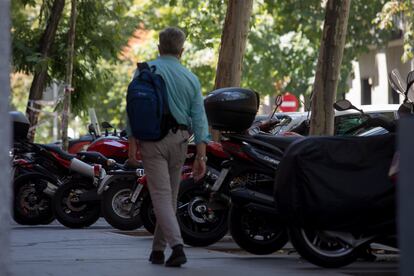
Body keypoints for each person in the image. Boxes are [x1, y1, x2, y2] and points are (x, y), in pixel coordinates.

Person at [126, 27, 209, 267]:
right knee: (169, 197)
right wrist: (200, 156)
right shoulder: (191, 78)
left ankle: (177, 246)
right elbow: (200, 119)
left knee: (162, 197)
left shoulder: (143, 72)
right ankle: (157, 251)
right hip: (181, 141)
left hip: (152, 142)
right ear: (181, 51)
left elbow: (132, 110)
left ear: (159, 48)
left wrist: (132, 144)